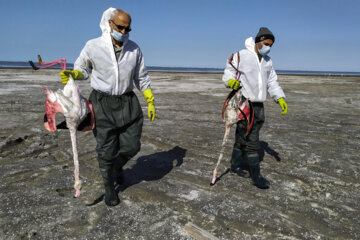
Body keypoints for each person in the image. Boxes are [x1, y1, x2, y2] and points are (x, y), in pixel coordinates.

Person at [59, 8, 155, 206]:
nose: (124, 31)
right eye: (120, 27)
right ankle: (109, 187)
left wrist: (150, 99)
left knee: (132, 146)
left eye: (128, 28)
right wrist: (75, 74)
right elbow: (83, 68)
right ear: (110, 24)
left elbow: (141, 76)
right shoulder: (93, 46)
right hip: (102, 103)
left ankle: (116, 167)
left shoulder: (134, 49)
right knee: (106, 150)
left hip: (128, 102)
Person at [222, 27, 287, 189]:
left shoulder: (268, 61)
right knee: (252, 140)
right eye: (266, 44)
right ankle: (256, 175)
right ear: (258, 41)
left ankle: (235, 165)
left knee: (243, 135)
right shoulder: (241, 55)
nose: (268, 47)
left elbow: (272, 81)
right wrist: (230, 82)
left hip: (259, 104)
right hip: (245, 103)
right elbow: (228, 72)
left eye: (271, 45)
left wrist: (279, 97)